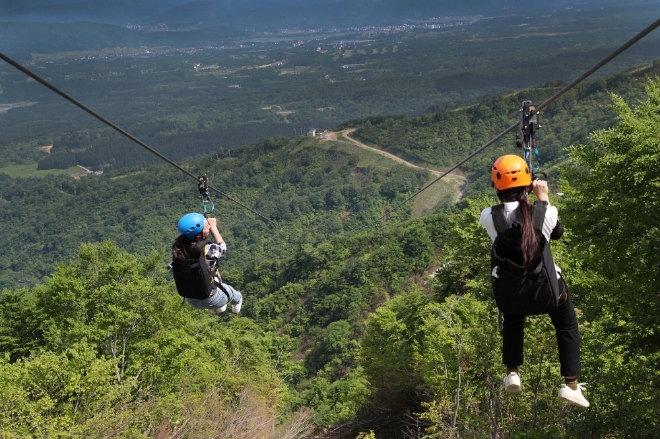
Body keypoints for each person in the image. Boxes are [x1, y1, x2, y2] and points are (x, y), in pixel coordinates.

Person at [479, 155, 589, 407]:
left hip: (513, 293)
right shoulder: (547, 212)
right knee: (567, 325)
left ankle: (512, 373)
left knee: (513, 316)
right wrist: (542, 198)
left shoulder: (489, 217)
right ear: (528, 185)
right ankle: (570, 385)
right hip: (547, 293)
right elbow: (557, 232)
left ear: (496, 188)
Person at [172, 212, 243, 313]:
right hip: (213, 299)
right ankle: (235, 301)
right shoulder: (208, 249)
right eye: (207, 226)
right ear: (197, 235)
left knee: (214, 284)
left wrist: (205, 225)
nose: (209, 226)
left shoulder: (178, 248)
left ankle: (220, 304)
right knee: (231, 291)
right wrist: (214, 228)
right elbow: (223, 248)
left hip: (191, 299)